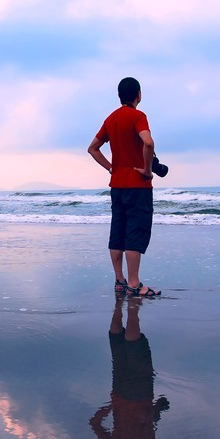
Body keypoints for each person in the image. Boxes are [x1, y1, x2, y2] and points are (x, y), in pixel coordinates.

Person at [89, 295, 170, 439]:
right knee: (118, 349)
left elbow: (147, 429)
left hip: (140, 395)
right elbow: (95, 423)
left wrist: (158, 409)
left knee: (136, 348)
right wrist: (111, 406)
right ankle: (118, 305)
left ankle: (133, 306)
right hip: (119, 393)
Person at [87, 76, 160, 297]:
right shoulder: (138, 116)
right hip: (138, 186)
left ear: (119, 96)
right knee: (135, 233)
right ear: (138, 94)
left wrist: (111, 168)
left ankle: (120, 281)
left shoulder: (111, 119)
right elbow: (148, 142)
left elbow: (93, 148)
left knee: (118, 232)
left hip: (117, 186)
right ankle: (135, 284)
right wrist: (147, 170)